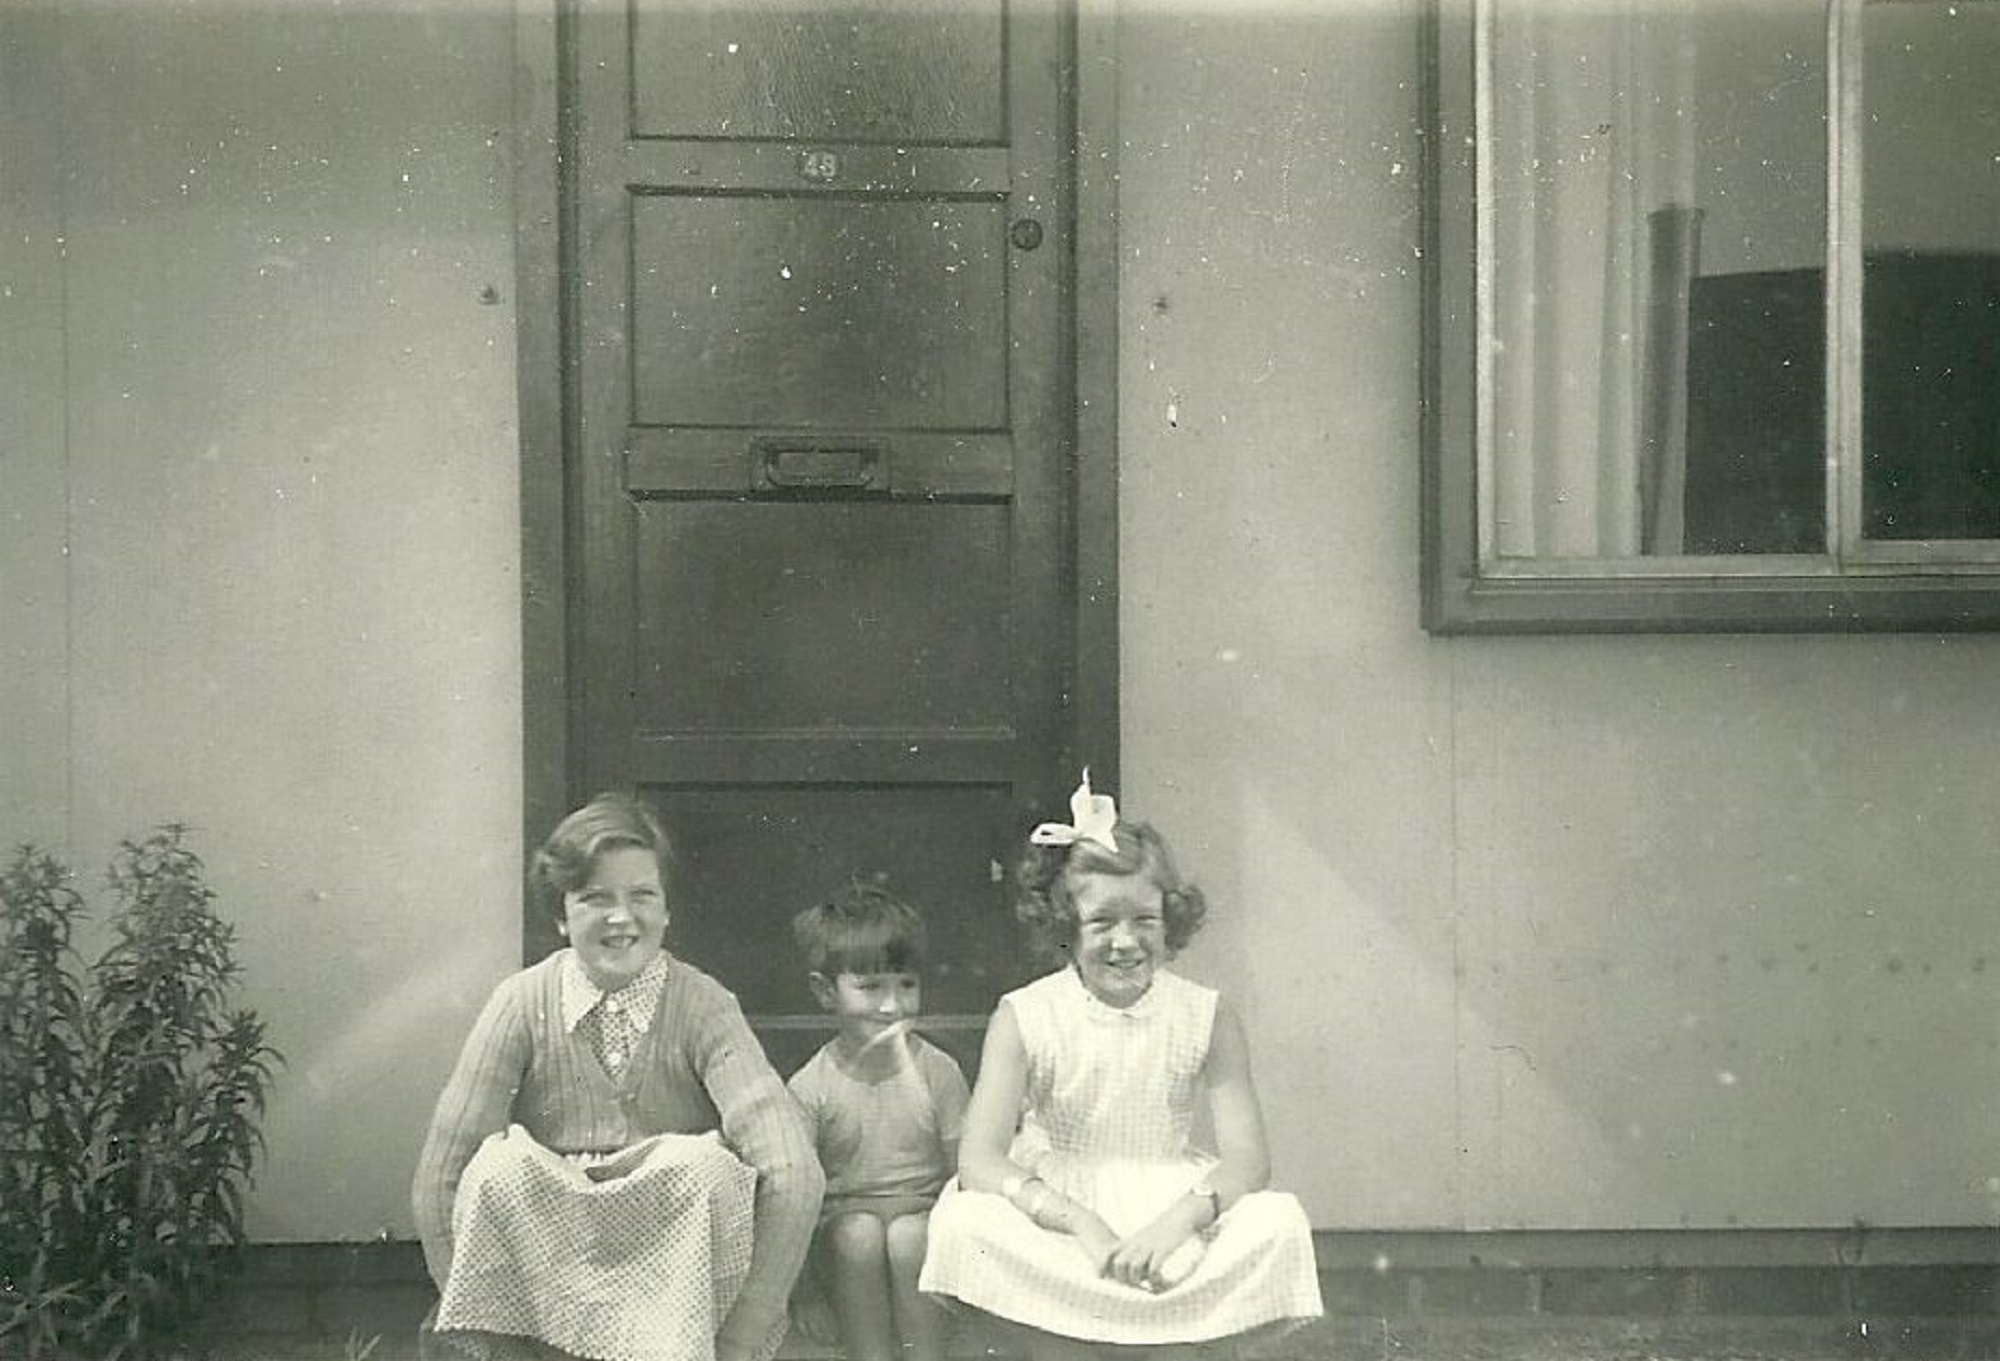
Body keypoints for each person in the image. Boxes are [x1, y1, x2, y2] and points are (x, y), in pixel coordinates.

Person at [919, 772, 1323, 1361]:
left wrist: (1178, 1223)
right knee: (963, 1221)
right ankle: (1079, 1344)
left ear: (1171, 920)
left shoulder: (1206, 1014)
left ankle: (1164, 1337)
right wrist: (1079, 1222)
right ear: (1064, 926)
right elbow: (979, 1158)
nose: (1126, 942)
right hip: (1062, 1208)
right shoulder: (1026, 1015)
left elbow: (1248, 1157)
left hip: (1169, 1196)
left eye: (1145, 920)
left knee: (1278, 1221)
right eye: (1102, 922)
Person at [411, 792, 824, 1361]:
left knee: (701, 1165)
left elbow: (794, 1172)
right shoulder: (520, 1003)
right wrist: (477, 1325)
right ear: (560, 914)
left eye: (642, 896)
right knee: (497, 1166)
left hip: (675, 1301)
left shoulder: (703, 1005)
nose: (622, 918)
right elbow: (441, 1176)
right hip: (546, 1293)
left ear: (668, 909)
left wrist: (739, 1340)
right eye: (594, 898)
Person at [786, 879, 970, 1361]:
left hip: (923, 1229)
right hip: (844, 1239)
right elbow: (794, 1198)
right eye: (870, 988)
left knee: (910, 1237)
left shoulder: (939, 1072)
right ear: (826, 992)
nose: (892, 1006)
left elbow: (965, 1177)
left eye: (905, 985)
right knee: (858, 1235)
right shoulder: (811, 1087)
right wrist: (802, 1292)